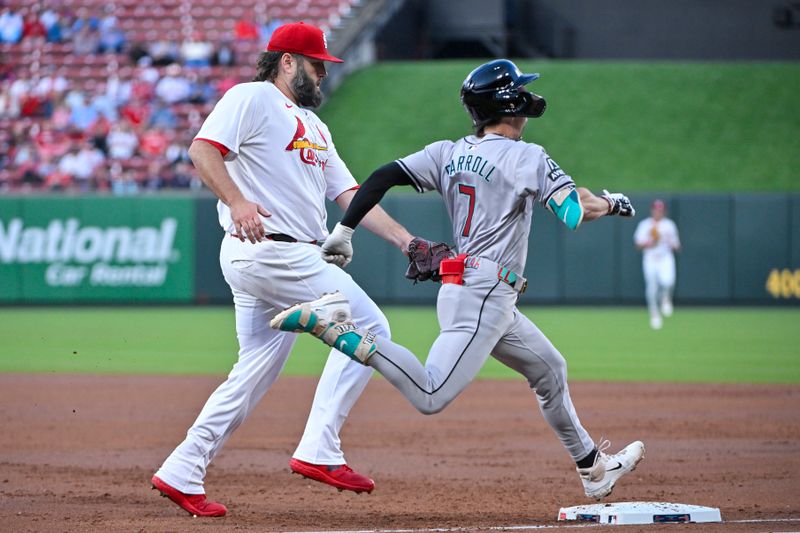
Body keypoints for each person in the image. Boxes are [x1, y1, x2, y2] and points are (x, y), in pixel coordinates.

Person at [272, 59, 645, 501]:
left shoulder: (448, 152)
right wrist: (610, 202)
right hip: (485, 292)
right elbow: (573, 212)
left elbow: (382, 177)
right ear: (508, 102)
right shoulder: (528, 156)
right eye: (519, 91)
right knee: (431, 393)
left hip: (473, 289)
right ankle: (334, 327)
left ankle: (592, 467)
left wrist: (345, 229)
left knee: (550, 371)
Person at [150, 21, 416, 517]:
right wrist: (237, 201)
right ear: (288, 61)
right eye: (317, 65)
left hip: (282, 257)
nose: (322, 74)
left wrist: (407, 241)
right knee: (372, 327)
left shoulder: (316, 126)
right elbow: (202, 150)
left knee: (252, 371)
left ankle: (182, 468)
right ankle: (319, 448)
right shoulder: (251, 98)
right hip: (271, 250)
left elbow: (350, 196)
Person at [633, 199, 680, 330]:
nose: (657, 212)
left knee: (668, 282)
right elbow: (638, 245)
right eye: (655, 210)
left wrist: (670, 241)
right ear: (652, 210)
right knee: (652, 289)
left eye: (660, 210)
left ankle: (665, 298)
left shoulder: (669, 225)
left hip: (665, 258)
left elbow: (677, 246)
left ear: (664, 211)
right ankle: (654, 315)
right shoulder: (645, 225)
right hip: (650, 259)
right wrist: (650, 241)